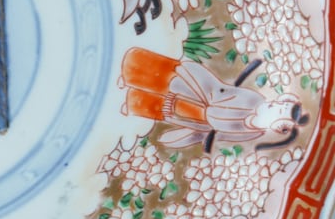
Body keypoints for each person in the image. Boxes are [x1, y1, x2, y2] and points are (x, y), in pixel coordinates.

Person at [119, 47, 304, 149]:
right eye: (279, 104)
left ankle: (129, 101)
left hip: (201, 118)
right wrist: (203, 91)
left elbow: (223, 134)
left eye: (279, 110)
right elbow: (224, 93)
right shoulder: (256, 99)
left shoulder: (255, 132)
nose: (274, 105)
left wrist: (195, 135)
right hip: (205, 92)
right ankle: (130, 71)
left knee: (163, 107)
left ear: (279, 126)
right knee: (170, 79)